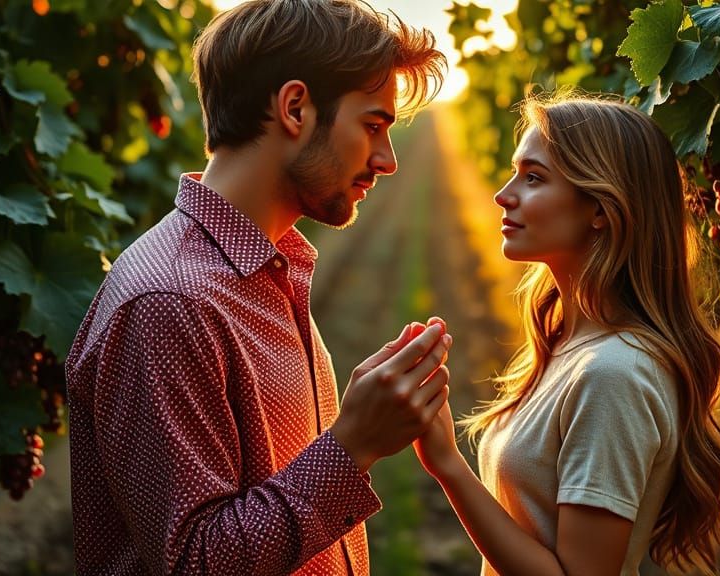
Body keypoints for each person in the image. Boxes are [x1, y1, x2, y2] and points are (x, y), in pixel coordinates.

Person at [65, 1, 448, 574]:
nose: (387, 160)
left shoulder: (269, 269)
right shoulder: (170, 304)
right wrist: (351, 446)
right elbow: (195, 562)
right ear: (295, 107)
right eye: (373, 125)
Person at [413, 93, 720, 575]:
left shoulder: (615, 376)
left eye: (533, 178)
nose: (503, 194)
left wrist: (446, 463)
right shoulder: (570, 349)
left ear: (600, 207)